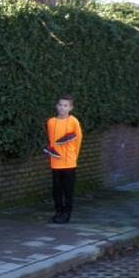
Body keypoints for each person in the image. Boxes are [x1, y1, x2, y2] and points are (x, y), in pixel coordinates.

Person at [44, 94, 83, 223]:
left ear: (71, 108)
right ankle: (58, 212)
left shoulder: (74, 121)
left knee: (68, 190)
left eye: (65, 105)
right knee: (56, 190)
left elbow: (78, 141)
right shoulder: (51, 122)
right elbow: (51, 141)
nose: (62, 108)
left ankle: (67, 214)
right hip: (55, 162)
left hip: (69, 162)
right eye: (60, 105)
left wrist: (73, 157)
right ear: (56, 106)